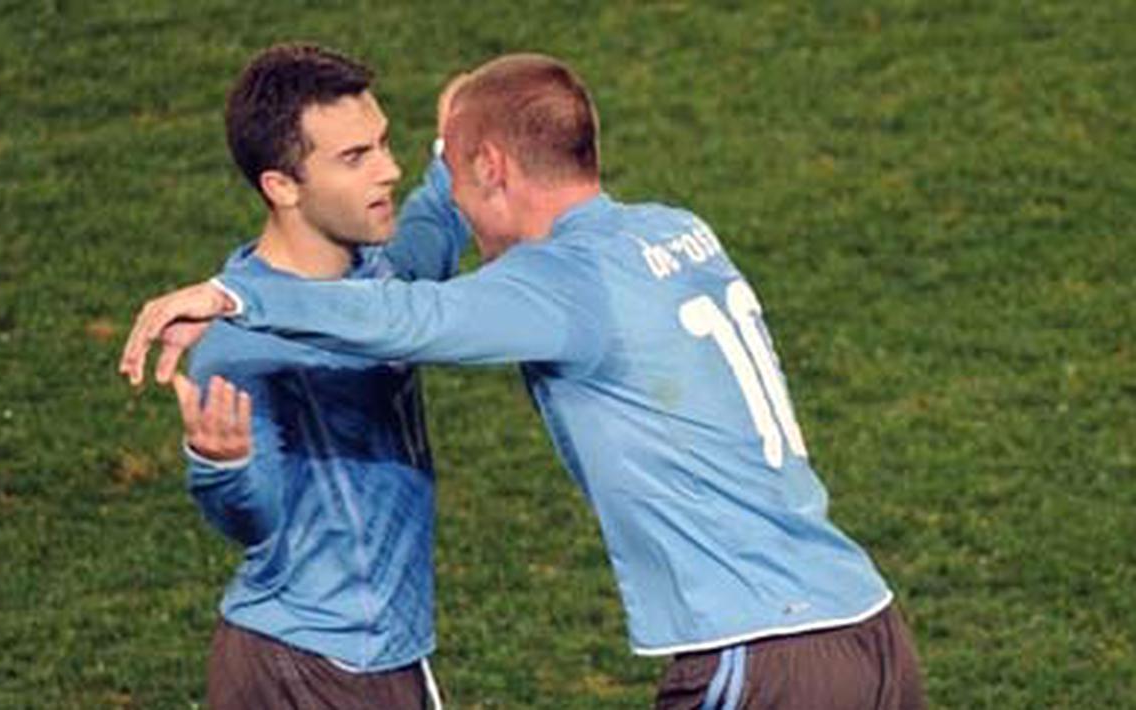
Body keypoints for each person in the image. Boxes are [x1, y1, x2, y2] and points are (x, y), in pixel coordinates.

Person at [121, 54, 925, 709]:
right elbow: (408, 280)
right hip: (866, 623)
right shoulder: (674, 229)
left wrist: (236, 296)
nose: (440, 203)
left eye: (452, 178)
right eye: (362, 156)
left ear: (495, 168)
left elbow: (410, 315)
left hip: (765, 654)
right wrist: (458, 144)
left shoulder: (553, 284)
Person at [146, 43, 468, 709]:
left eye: (381, 142)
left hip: (377, 651)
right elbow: (252, 517)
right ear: (282, 186)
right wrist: (221, 465)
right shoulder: (238, 344)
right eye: (355, 158)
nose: (388, 170)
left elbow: (433, 231)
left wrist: (457, 144)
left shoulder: (380, 275)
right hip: (311, 665)